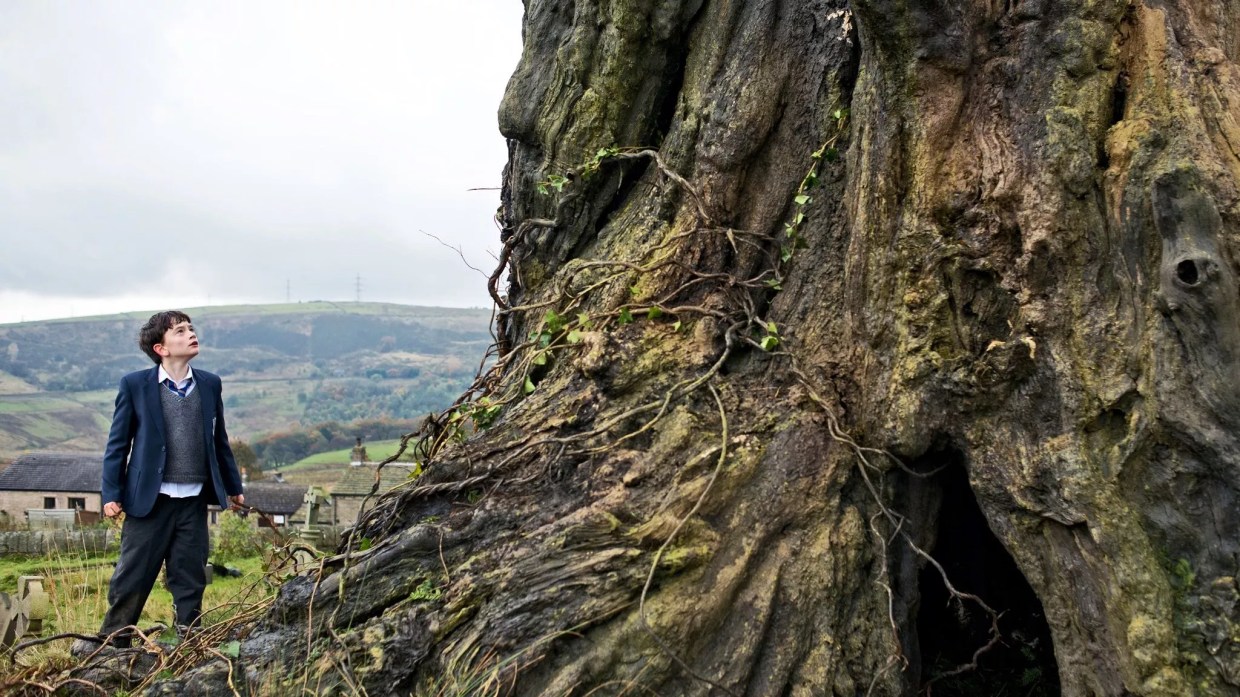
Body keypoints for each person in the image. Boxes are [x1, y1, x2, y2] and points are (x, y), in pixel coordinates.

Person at [73, 311, 245, 655]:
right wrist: (111, 494)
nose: (190, 333)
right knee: (132, 576)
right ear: (161, 348)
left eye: (190, 328)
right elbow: (117, 444)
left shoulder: (210, 383)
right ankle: (113, 644)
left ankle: (188, 642)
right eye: (180, 331)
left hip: (194, 500)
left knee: (190, 574)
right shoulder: (135, 385)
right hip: (149, 502)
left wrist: (233, 486)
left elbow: (219, 440)